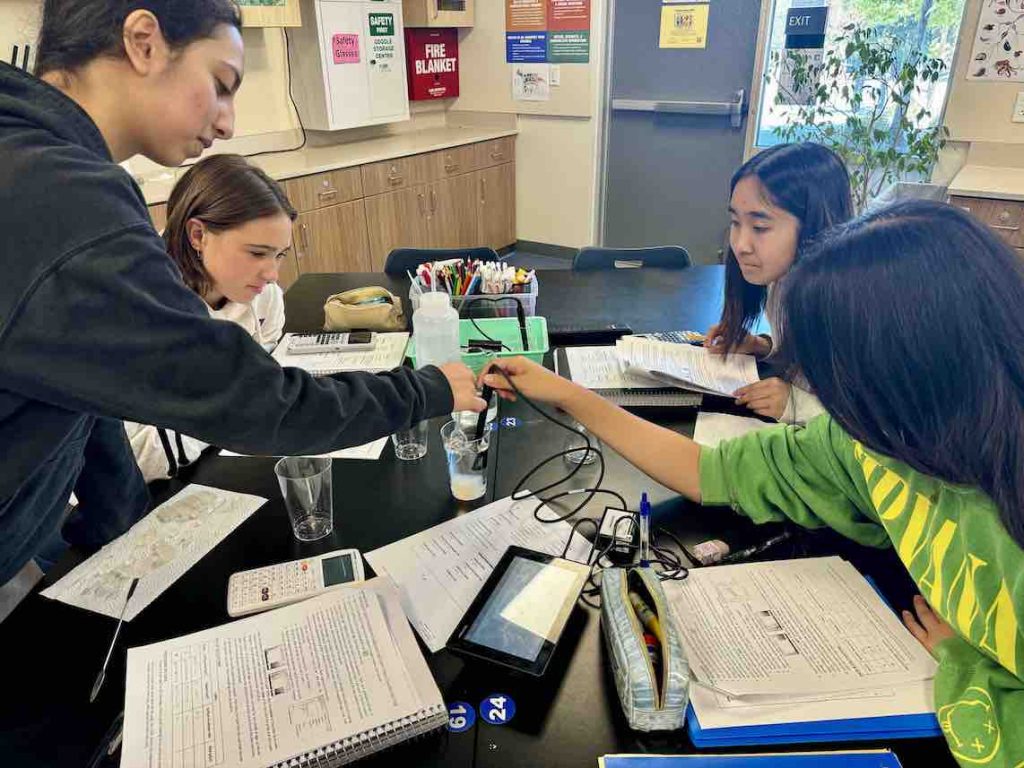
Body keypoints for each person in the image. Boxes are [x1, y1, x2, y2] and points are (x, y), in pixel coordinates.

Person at [483, 201, 1024, 767]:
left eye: (841, 379)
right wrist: (571, 395)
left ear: (918, 366)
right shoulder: (872, 444)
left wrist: (969, 671)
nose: (831, 404)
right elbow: (709, 470)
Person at [0, 0, 483, 585]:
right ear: (144, 41)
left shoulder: (39, 166)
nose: (228, 123)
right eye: (221, 84)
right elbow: (250, 401)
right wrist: (424, 390)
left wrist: (115, 532)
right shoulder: (63, 199)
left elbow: (81, 389)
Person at [126, 154, 294, 481]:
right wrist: (226, 409)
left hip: (222, 463)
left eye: (280, 255)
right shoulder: (138, 311)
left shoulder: (262, 295)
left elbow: (262, 374)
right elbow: (131, 458)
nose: (272, 274)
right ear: (198, 236)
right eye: (257, 253)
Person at [704, 142, 853, 425]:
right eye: (735, 222)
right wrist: (764, 347)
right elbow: (804, 360)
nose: (740, 245)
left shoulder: (852, 307)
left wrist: (800, 406)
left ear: (813, 227)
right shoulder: (783, 281)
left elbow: (889, 423)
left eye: (760, 227)